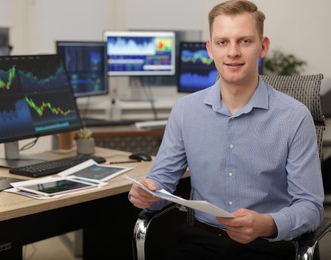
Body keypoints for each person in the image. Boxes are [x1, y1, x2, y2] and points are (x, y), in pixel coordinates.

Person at [128, 0, 324, 259]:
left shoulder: (294, 116)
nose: (232, 52)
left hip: (267, 246)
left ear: (262, 47)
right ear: (210, 49)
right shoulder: (185, 111)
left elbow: (311, 208)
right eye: (222, 42)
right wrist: (148, 194)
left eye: (244, 41)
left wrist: (267, 223)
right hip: (199, 243)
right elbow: (162, 184)